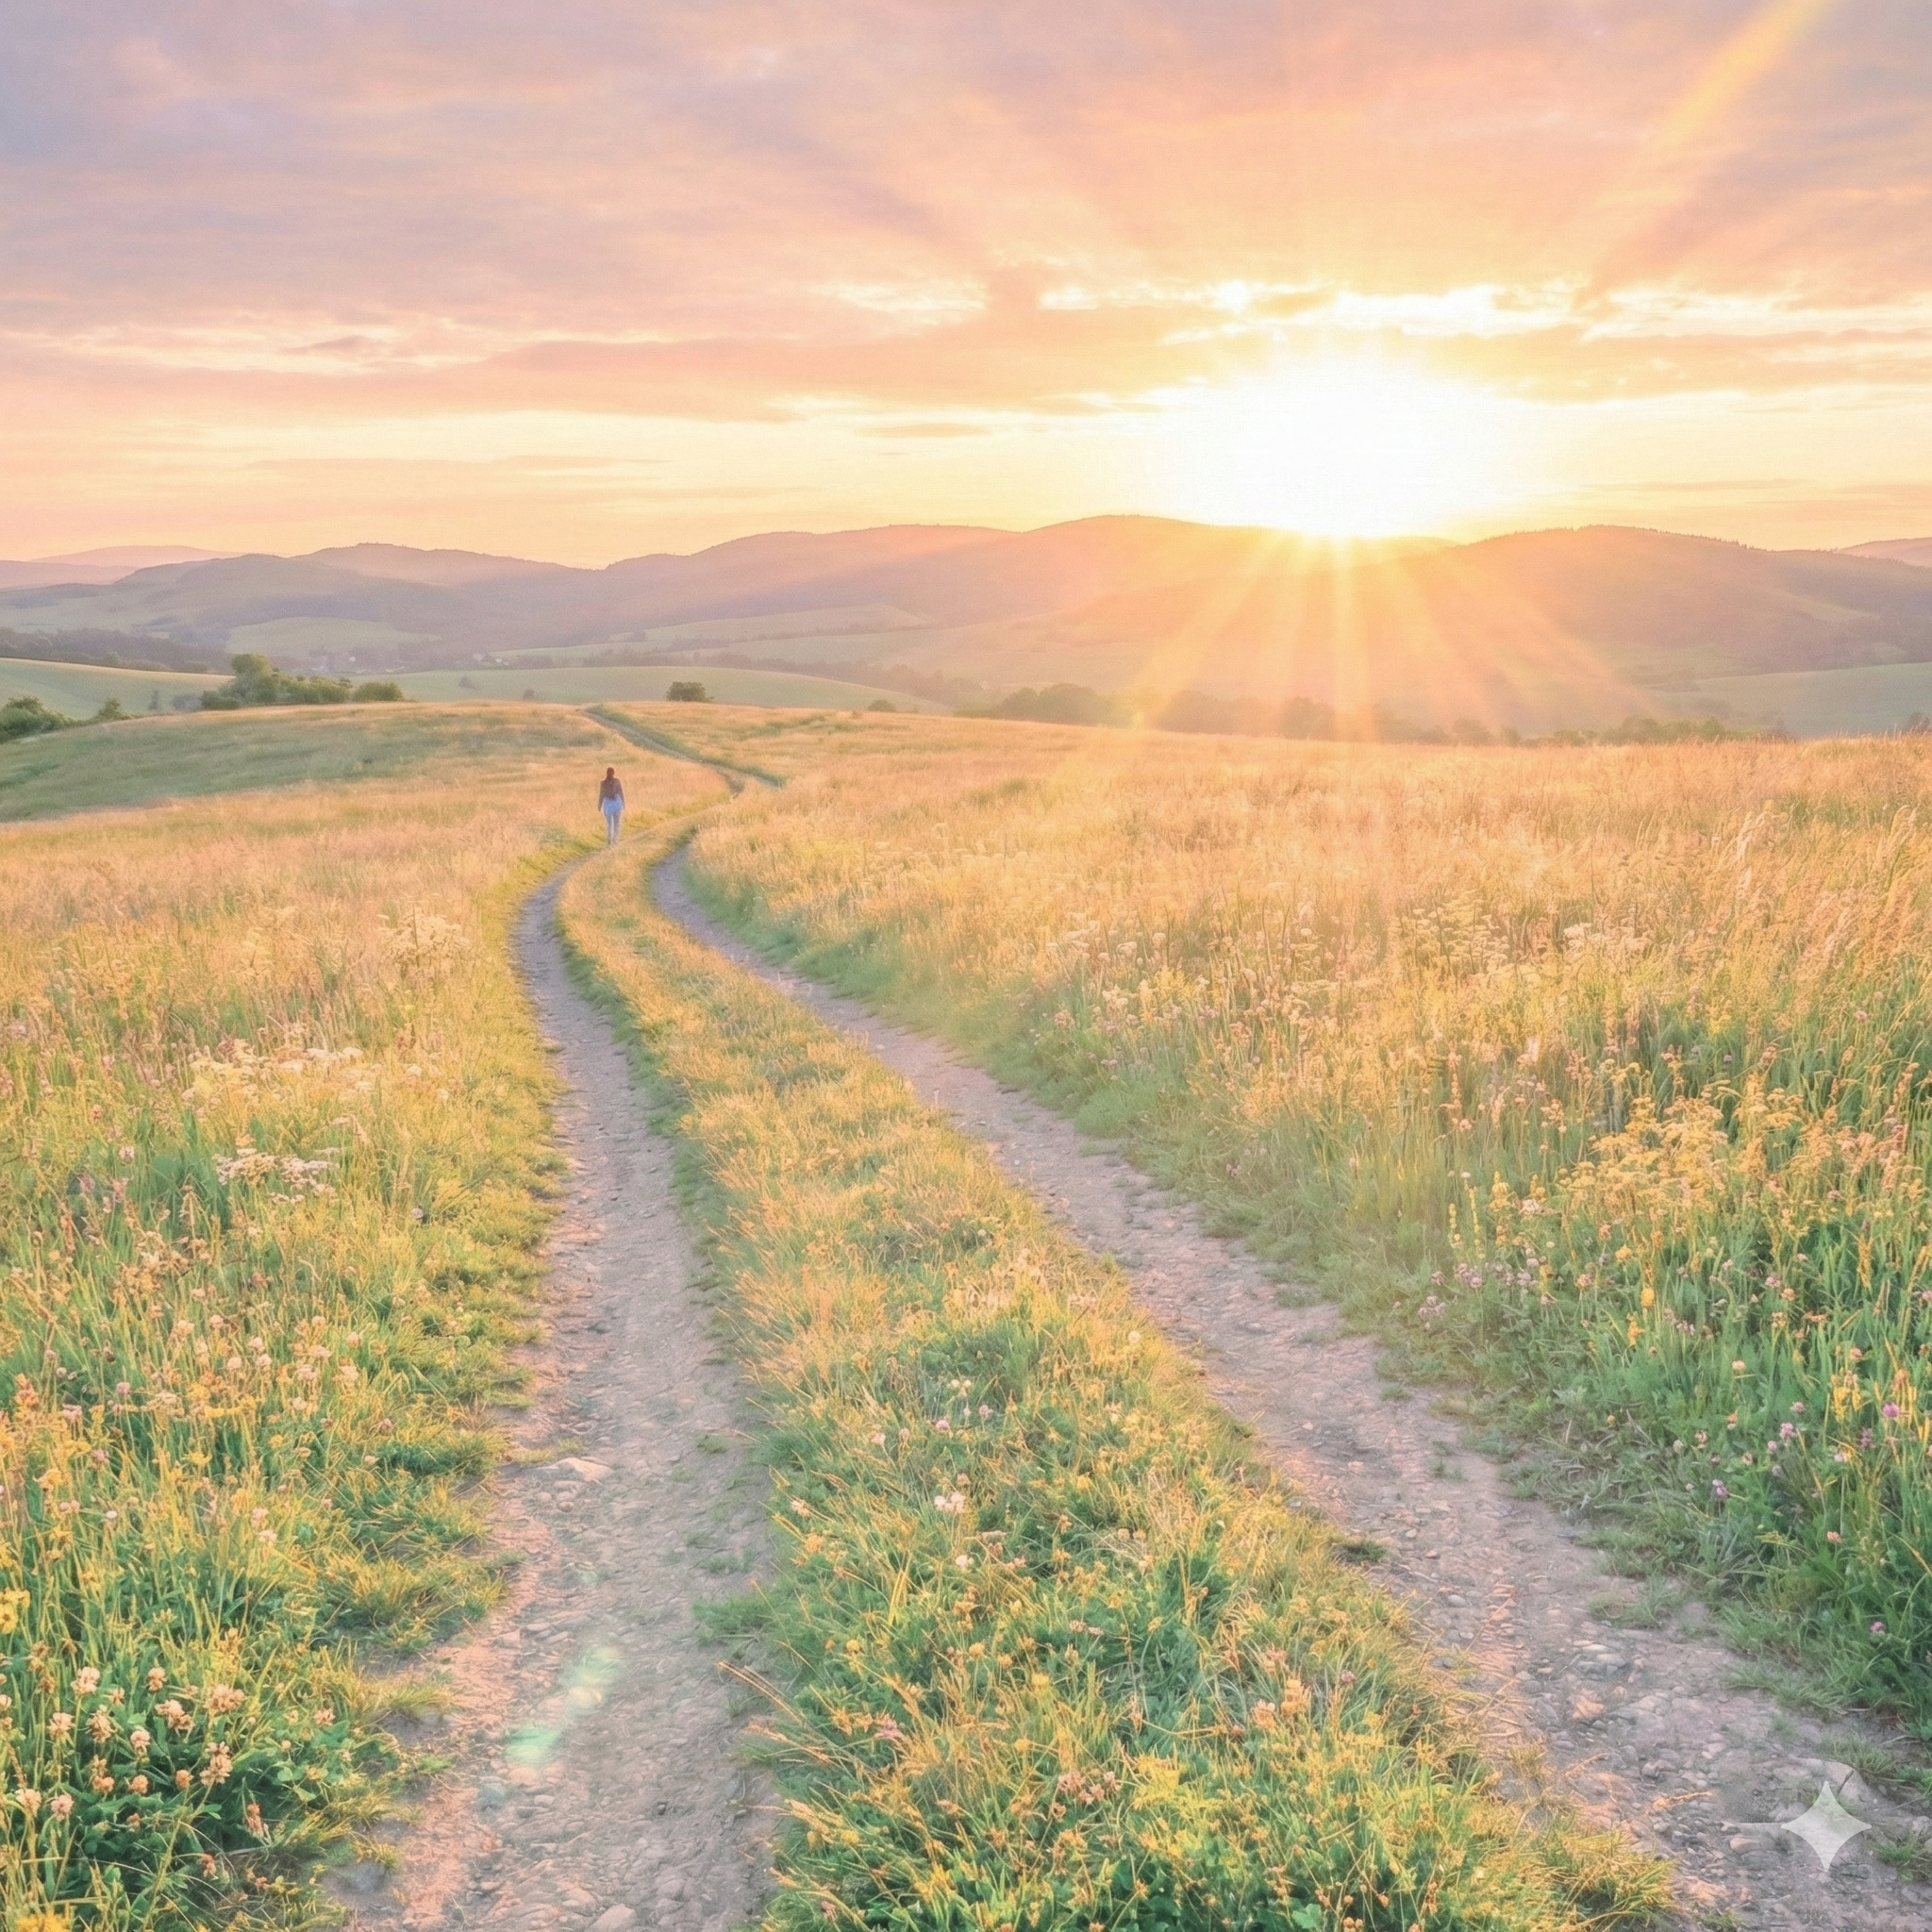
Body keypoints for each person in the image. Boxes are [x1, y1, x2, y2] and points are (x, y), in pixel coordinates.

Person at [598, 767, 625, 844]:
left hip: (616, 803)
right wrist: (599, 805)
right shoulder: (603, 783)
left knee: (617, 822)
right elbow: (601, 794)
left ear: (613, 773)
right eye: (608, 772)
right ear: (606, 773)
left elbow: (621, 792)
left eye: (611, 772)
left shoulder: (617, 781)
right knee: (609, 823)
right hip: (608, 803)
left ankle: (616, 839)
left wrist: (623, 802)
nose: (609, 774)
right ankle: (609, 839)